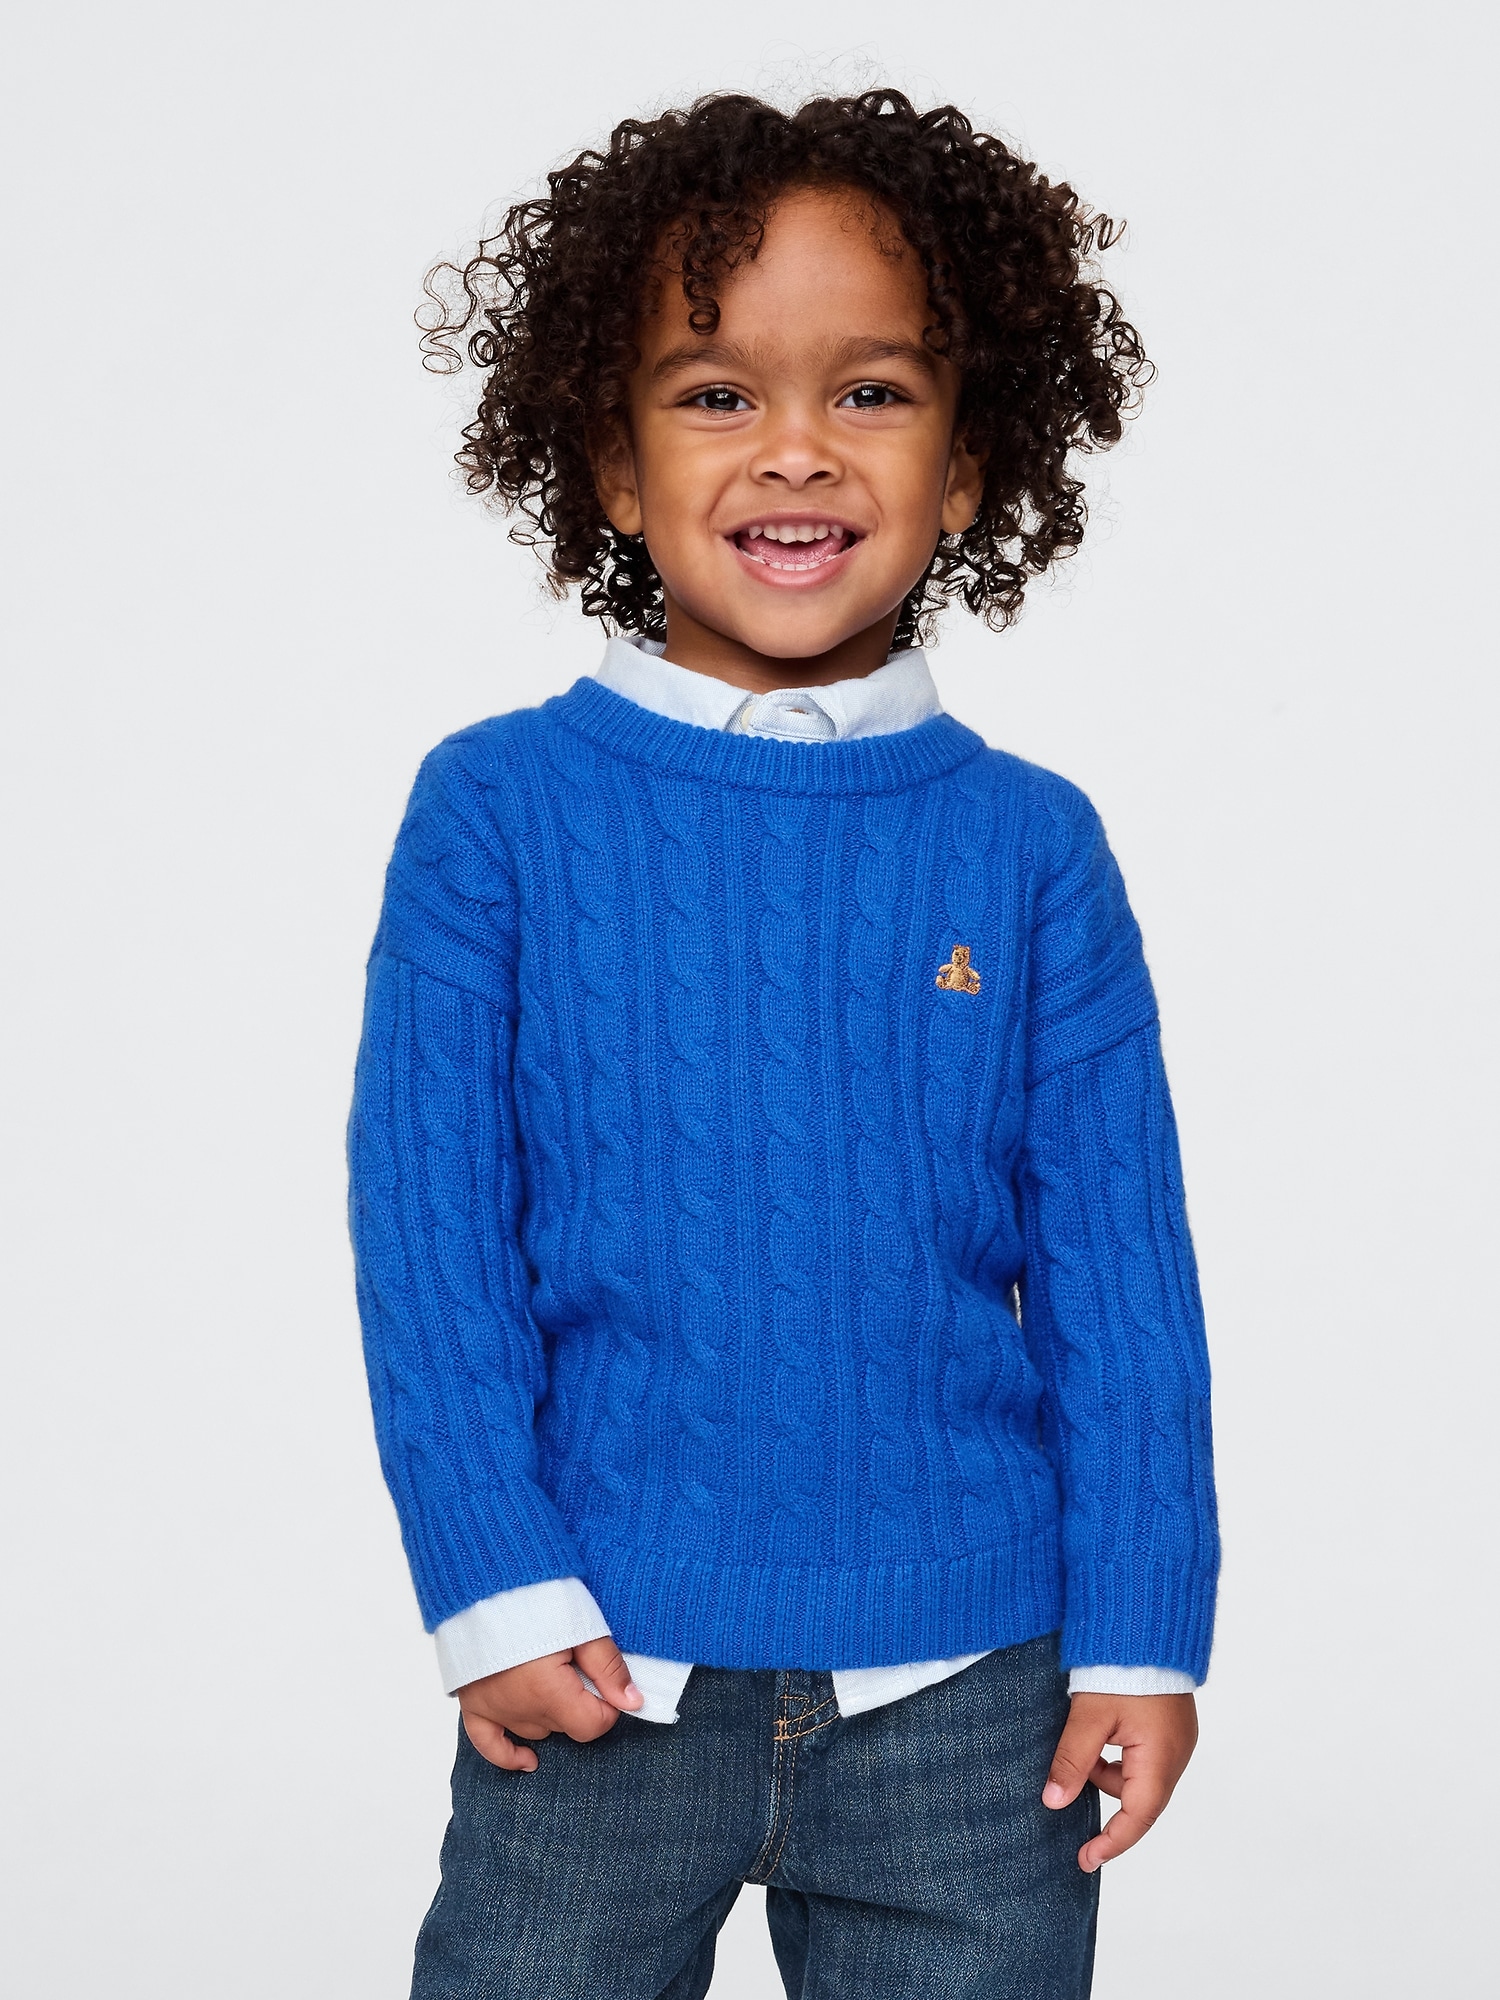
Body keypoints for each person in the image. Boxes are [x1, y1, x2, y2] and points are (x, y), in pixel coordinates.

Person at [348, 89, 1220, 2000]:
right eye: (718, 393)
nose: (798, 448)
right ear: (610, 459)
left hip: (976, 1699)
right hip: (596, 1662)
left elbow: (1121, 1278)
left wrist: (1145, 1631)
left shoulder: (1030, 843)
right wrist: (489, 1583)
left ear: (971, 465)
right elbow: (431, 1243)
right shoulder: (496, 811)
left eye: (874, 392)